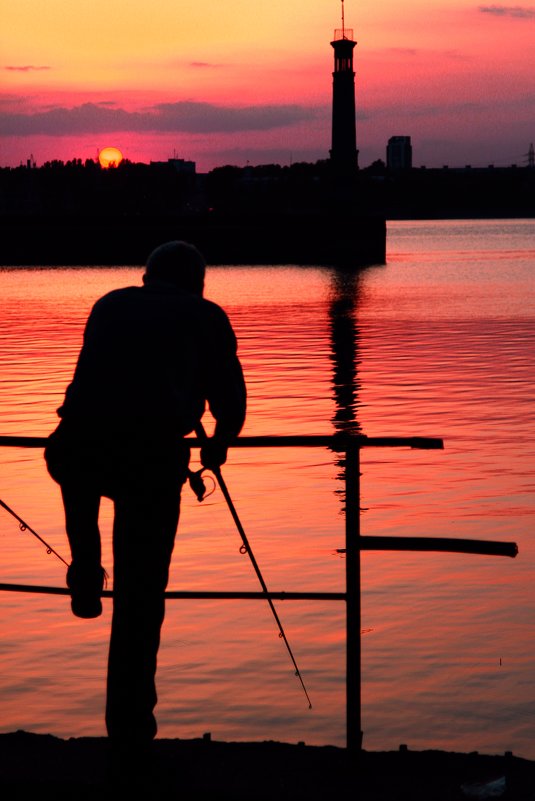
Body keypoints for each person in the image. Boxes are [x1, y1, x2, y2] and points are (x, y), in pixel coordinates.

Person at [45, 241, 246, 748]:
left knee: (81, 476)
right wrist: (218, 447)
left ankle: (86, 566)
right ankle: (130, 731)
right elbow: (231, 403)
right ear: (198, 281)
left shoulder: (110, 303)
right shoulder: (206, 315)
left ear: (145, 275)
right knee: (140, 600)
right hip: (149, 460)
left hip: (75, 447)